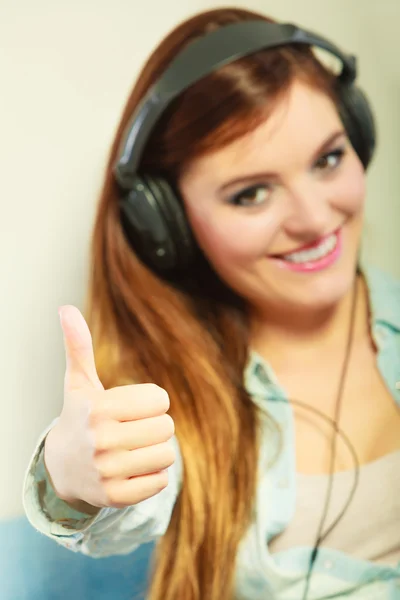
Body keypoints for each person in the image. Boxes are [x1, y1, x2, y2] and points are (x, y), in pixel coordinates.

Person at [23, 6, 400, 600]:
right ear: (166, 224)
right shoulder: (179, 397)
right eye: (251, 194)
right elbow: (129, 497)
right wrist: (69, 480)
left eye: (328, 159)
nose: (314, 217)